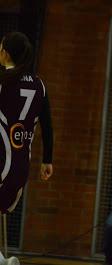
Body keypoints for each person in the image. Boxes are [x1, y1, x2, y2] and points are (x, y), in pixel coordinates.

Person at [0, 32, 53, 265]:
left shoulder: (3, 81)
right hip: (20, 167)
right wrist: (47, 160)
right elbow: (48, 126)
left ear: (5, 53)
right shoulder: (39, 84)